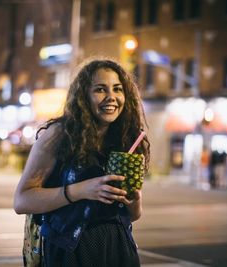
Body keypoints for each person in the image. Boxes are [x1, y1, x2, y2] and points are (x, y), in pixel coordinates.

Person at [14, 58, 150, 267]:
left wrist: (135, 202)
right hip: (70, 249)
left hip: (118, 246)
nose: (111, 97)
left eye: (117, 89)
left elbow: (132, 216)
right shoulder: (59, 135)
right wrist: (82, 190)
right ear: (83, 95)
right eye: (100, 90)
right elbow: (22, 201)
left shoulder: (124, 137)